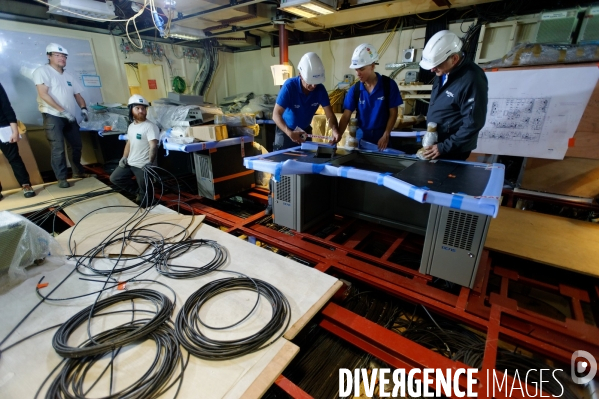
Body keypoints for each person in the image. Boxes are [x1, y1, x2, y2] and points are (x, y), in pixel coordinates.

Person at [419, 30, 488, 161]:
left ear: (454, 59)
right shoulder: (444, 71)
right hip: (437, 142)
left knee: (445, 179)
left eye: (436, 65)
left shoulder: (472, 79)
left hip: (452, 148)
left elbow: (473, 123)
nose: (432, 70)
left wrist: (443, 147)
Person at [33, 43, 93, 189]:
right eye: (58, 55)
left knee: (76, 146)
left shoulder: (68, 76)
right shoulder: (42, 71)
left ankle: (78, 172)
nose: (62, 58)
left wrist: (84, 109)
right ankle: (61, 178)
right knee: (58, 148)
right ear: (49, 56)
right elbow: (43, 94)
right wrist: (62, 110)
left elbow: (78, 95)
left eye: (64, 56)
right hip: (53, 115)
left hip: (70, 117)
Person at [338, 44, 403, 151]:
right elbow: (346, 116)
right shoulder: (355, 90)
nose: (358, 73)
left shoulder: (388, 85)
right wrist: (338, 135)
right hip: (362, 137)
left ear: (372, 66)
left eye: (361, 69)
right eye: (356, 69)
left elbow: (393, 112)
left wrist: (386, 134)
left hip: (382, 136)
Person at [272, 52, 341, 150]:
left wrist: (335, 130)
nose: (313, 86)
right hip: (285, 131)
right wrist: (289, 133)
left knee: (306, 161)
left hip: (305, 131)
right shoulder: (289, 86)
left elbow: (329, 114)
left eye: (316, 83)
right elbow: (275, 114)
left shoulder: (320, 90)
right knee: (283, 162)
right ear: (300, 75)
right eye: (310, 82)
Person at [110, 95, 159, 207]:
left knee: (147, 200)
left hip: (143, 165)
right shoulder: (132, 126)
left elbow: (153, 146)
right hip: (130, 161)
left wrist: (150, 162)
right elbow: (129, 143)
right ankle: (138, 192)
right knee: (115, 178)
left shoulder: (150, 126)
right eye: (137, 108)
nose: (141, 111)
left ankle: (147, 199)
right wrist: (124, 157)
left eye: (143, 108)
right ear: (131, 109)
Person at [0, 82, 36, 200]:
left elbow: (7, 107)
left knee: (14, 158)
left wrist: (15, 131)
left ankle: (26, 185)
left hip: (3, 128)